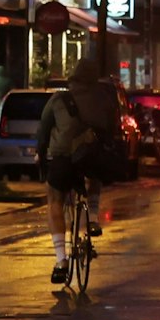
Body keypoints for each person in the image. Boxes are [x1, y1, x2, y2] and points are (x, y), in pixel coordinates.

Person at [36, 57, 120, 285]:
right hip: (92, 157)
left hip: (63, 158)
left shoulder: (59, 99)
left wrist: (41, 155)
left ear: (73, 78)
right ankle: (92, 218)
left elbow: (43, 131)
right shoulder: (105, 99)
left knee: (55, 199)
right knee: (95, 173)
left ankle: (61, 261)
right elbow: (114, 129)